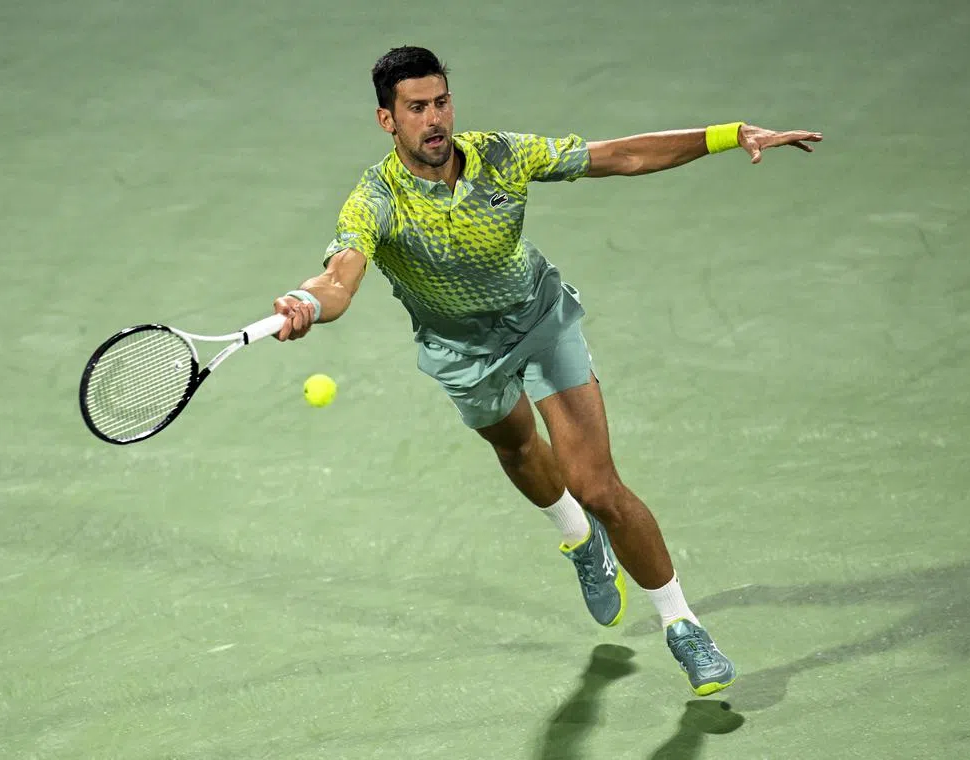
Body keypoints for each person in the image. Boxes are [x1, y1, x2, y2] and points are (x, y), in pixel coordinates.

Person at [271, 46, 821, 696]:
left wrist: (729, 135)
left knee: (600, 486)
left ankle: (682, 624)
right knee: (518, 446)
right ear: (387, 121)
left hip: (540, 322)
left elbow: (617, 155)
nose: (434, 118)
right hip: (461, 352)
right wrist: (309, 302)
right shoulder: (375, 200)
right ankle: (577, 539)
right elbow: (341, 276)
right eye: (416, 108)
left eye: (441, 101)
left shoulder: (502, 154)